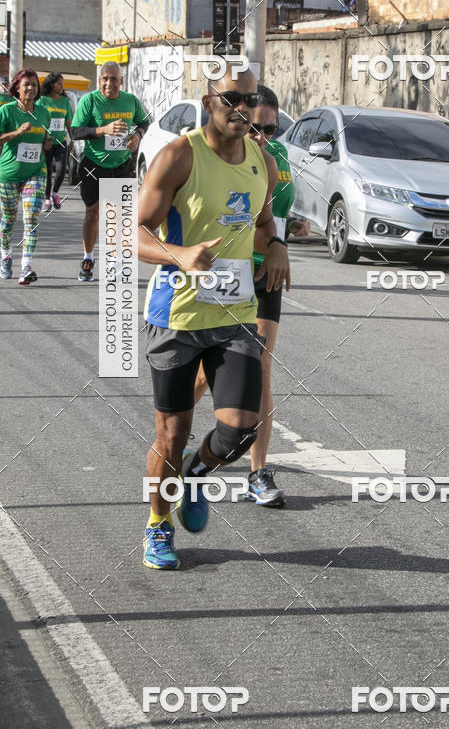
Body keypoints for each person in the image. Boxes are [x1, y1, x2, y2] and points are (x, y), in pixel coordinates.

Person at [138, 65, 291, 570]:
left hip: (235, 313)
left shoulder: (262, 162)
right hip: (177, 316)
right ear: (209, 103)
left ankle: (197, 473)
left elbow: (263, 221)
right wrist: (179, 254)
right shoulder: (179, 156)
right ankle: (158, 525)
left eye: (251, 99)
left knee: (240, 429)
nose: (243, 109)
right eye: (232, 99)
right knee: (172, 434)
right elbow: (134, 232)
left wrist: (276, 245)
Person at [194, 84, 310, 506]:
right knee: (205, 370)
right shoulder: (215, 155)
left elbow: (275, 211)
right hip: (226, 268)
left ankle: (257, 474)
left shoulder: (275, 158)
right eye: (254, 126)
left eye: (271, 129)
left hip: (266, 271)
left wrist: (288, 232)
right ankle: (172, 438)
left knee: (260, 366)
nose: (262, 136)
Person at [70, 61, 149, 281]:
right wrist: (102, 130)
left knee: (118, 216)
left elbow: (144, 121)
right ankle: (88, 257)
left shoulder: (130, 100)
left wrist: (138, 135)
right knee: (92, 213)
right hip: (94, 165)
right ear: (99, 80)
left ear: (121, 81)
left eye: (113, 79)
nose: (108, 83)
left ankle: (114, 262)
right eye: (105, 78)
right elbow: (75, 132)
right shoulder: (89, 101)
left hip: (121, 165)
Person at [0, 69, 51, 284]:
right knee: (7, 222)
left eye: (34, 85)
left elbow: (45, 142)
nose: (31, 88)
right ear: (17, 88)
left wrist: (47, 142)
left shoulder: (44, 113)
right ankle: (5, 255)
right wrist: (17, 133)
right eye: (26, 84)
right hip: (9, 174)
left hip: (36, 172)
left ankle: (26, 266)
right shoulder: (7, 111)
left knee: (31, 219)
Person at [39, 72, 73, 212]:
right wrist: (42, 137)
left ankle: (55, 193)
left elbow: (68, 122)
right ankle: (47, 199)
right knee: (47, 171)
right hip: (46, 141)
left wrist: (72, 139)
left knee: (61, 169)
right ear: (51, 84)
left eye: (62, 84)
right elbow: (38, 120)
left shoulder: (65, 101)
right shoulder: (42, 100)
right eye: (59, 84)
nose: (61, 86)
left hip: (61, 141)